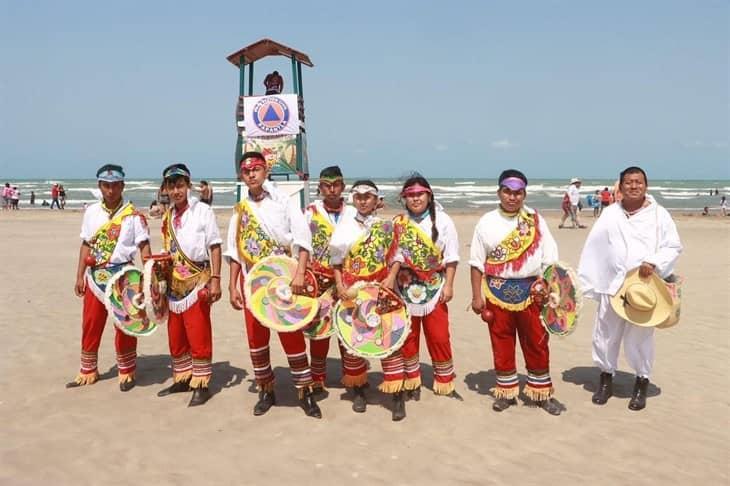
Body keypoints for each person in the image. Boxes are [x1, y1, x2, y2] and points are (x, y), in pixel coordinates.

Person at [225, 151, 322, 418]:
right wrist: (233, 285)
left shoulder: (284, 202)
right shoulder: (240, 211)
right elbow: (235, 252)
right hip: (252, 283)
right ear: (241, 176)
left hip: (283, 278)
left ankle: (305, 391)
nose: (251, 174)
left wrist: (300, 273)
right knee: (257, 339)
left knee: (290, 335)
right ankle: (266, 389)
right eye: (246, 171)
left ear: (265, 170)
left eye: (256, 168)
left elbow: (303, 240)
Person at [578, 166, 682, 411]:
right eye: (628, 182)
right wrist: (592, 279)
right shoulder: (610, 213)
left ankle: (641, 382)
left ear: (646, 186)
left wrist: (654, 262)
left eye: (638, 182)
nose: (634, 186)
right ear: (620, 186)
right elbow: (595, 246)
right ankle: (606, 378)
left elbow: (673, 246)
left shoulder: (659, 215)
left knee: (640, 336)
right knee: (605, 332)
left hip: (644, 287)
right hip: (612, 284)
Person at [469, 169, 563, 415]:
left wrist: (548, 285)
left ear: (524, 194)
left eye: (518, 193)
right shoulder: (486, 222)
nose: (512, 197)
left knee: (537, 342)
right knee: (502, 342)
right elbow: (477, 262)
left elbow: (549, 256)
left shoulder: (535, 220)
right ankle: (506, 391)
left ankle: (541, 393)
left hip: (532, 291)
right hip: (497, 291)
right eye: (507, 192)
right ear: (499, 192)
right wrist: (477, 296)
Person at [66, 164, 151, 391]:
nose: (110, 190)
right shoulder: (91, 212)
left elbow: (144, 247)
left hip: (124, 276)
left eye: (115, 185)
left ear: (122, 185)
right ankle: (88, 370)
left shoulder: (133, 216)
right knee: (91, 323)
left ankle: (127, 371)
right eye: (106, 185)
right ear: (99, 186)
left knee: (125, 325)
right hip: (96, 276)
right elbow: (86, 244)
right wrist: (79, 276)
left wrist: (150, 278)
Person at [329, 180, 408, 421]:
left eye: (368, 196)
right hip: (353, 291)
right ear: (353, 199)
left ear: (376, 200)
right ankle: (359, 390)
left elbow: (397, 255)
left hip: (382, 289)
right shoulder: (344, 228)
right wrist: (341, 285)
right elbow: (337, 261)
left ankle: (396, 394)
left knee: (389, 338)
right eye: (359, 196)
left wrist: (392, 276)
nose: (363, 200)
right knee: (354, 340)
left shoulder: (386, 226)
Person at [155, 164, 222, 407]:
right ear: (166, 189)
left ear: (188, 186)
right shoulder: (167, 217)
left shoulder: (203, 211)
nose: (176, 191)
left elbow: (214, 245)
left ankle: (202, 383)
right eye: (171, 186)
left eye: (180, 185)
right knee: (176, 333)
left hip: (197, 280)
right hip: (174, 283)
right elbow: (167, 248)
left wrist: (216, 279)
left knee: (198, 332)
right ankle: (182, 378)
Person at [392, 175, 462, 401]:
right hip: (404, 286)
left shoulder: (443, 221)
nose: (415, 199)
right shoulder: (399, 223)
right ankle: (412, 381)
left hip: (434, 286)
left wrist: (449, 285)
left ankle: (444, 382)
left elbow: (451, 257)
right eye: (410, 195)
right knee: (408, 336)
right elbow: (393, 256)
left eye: (419, 194)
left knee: (439, 336)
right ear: (404, 198)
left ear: (429, 195)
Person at [305, 165, 357, 392]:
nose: (332, 189)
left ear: (343, 186)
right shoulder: (309, 212)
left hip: (348, 282)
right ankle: (317, 380)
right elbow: (300, 244)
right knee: (319, 334)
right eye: (327, 185)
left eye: (336, 185)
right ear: (320, 188)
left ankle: (354, 381)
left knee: (350, 331)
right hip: (319, 282)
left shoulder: (354, 213)